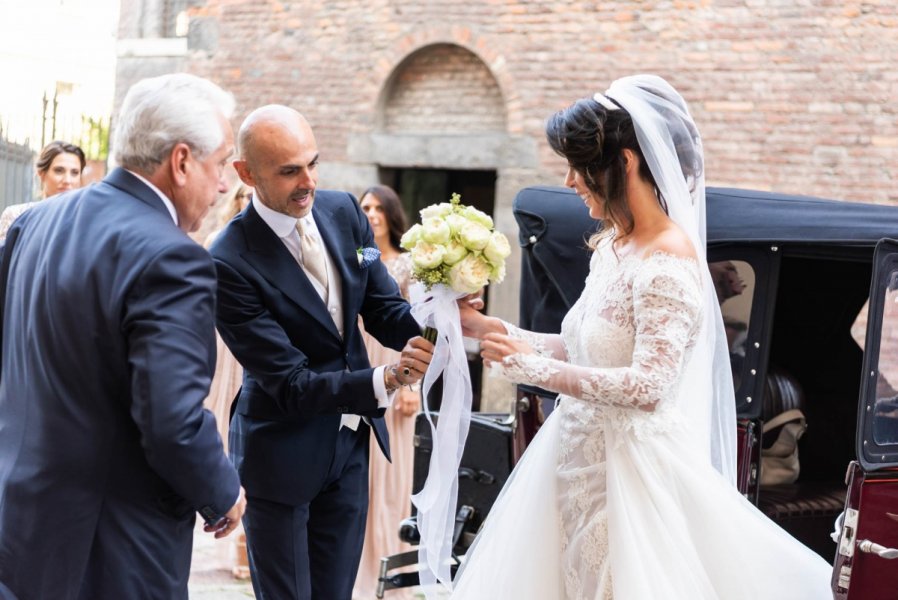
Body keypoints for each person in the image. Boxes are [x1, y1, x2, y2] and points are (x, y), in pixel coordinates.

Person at [453, 75, 831, 599]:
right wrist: (490, 330)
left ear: (624, 163)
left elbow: (648, 385)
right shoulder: (613, 246)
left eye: (578, 166)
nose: (568, 181)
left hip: (629, 478)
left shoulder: (668, 261)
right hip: (573, 461)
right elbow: (583, 347)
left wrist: (532, 370)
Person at [0, 73, 245, 600]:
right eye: (221, 163)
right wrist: (223, 492)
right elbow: (171, 422)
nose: (225, 183)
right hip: (116, 546)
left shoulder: (34, 223)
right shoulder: (174, 257)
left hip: (21, 521)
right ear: (181, 162)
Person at [209, 104, 433, 600]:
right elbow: (290, 383)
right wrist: (386, 379)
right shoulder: (226, 260)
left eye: (313, 163)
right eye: (289, 171)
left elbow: (380, 301)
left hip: (351, 449)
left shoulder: (346, 214)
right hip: (281, 454)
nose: (307, 181)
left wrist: (439, 324)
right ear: (246, 173)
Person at [353, 185, 420, 600]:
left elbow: (420, 327)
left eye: (379, 208)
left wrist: (413, 384)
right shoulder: (366, 257)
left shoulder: (410, 263)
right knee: (362, 471)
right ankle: (358, 572)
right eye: (365, 208)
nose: (372, 214)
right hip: (363, 368)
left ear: (392, 214)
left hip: (401, 370)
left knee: (393, 475)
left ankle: (391, 572)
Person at [202, 180, 253, 580]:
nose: (250, 204)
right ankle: (232, 529)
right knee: (224, 430)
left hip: (253, 348)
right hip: (224, 345)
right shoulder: (219, 239)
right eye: (245, 198)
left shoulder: (365, 250)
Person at [0, 140, 86, 242]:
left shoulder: (86, 221)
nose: (67, 180)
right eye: (59, 170)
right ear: (42, 173)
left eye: (75, 173)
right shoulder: (16, 216)